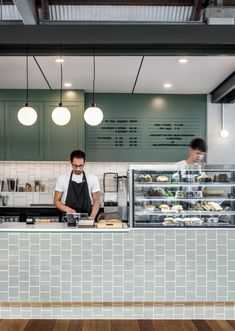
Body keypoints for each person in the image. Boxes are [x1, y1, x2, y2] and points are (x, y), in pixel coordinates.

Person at [54, 150, 100, 219]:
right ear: (71, 162)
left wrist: (92, 217)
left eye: (81, 166)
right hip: (67, 218)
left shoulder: (93, 178)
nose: (78, 169)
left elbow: (96, 201)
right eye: (75, 166)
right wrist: (68, 209)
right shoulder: (62, 178)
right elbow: (56, 201)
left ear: (84, 162)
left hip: (87, 218)